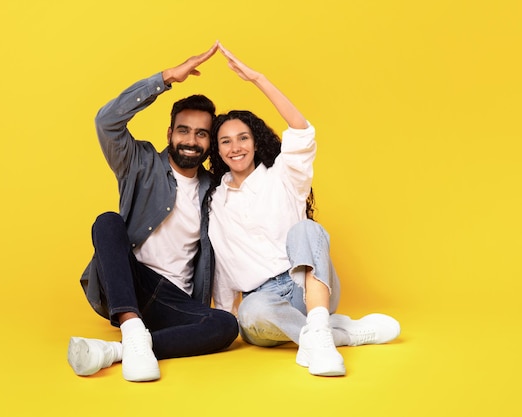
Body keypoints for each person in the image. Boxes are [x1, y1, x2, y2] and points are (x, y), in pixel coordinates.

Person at [207, 43, 400, 377]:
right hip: (264, 302)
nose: (235, 147)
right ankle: (338, 334)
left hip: (309, 284)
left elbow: (301, 131)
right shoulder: (214, 201)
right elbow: (223, 264)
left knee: (306, 230)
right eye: (226, 141)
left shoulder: (283, 176)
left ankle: (320, 326)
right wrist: (225, 315)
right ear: (217, 148)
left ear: (256, 142)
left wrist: (258, 79)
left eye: (243, 138)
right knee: (250, 314)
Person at [67, 43, 239, 382]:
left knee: (225, 325)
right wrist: (166, 78)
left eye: (202, 134)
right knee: (107, 222)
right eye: (184, 130)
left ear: (210, 142)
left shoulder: (217, 189)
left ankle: (118, 349)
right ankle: (131, 325)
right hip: (130, 286)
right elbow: (106, 122)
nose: (191, 140)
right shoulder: (139, 164)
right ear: (170, 133)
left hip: (177, 302)